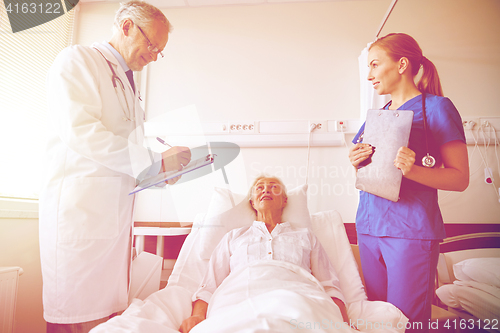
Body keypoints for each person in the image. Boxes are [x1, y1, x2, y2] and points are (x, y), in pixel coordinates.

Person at [39, 1, 191, 332]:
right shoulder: (77, 60)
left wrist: (163, 171)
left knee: (106, 323)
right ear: (125, 26)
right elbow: (82, 133)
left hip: (112, 223)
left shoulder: (128, 86)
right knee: (74, 319)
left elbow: (127, 155)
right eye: (152, 44)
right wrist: (152, 162)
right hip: (80, 219)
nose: (153, 56)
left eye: (159, 51)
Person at [349, 33, 469, 332]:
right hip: (369, 228)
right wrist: (356, 162)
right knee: (377, 321)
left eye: (375, 65)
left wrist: (413, 170)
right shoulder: (377, 115)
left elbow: (460, 178)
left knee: (407, 324)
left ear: (401, 64)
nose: (369, 75)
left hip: (410, 232)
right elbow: (370, 175)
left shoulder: (438, 108)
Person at [179, 176, 349, 333]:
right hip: (239, 298)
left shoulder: (306, 236)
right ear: (252, 202)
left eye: (274, 187)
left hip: (298, 296)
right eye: (259, 188)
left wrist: (342, 323)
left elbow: (330, 286)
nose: (266, 190)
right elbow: (210, 284)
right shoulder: (233, 237)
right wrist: (198, 316)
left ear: (284, 200)